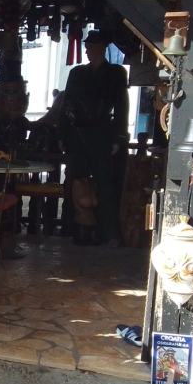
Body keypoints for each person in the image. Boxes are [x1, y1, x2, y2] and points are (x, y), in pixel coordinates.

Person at [61, 30, 128, 245]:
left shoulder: (115, 73)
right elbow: (67, 103)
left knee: (105, 184)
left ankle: (108, 233)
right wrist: (65, 133)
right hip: (78, 131)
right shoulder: (77, 73)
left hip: (102, 132)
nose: (88, 51)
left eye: (92, 47)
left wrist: (118, 136)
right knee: (74, 181)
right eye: (87, 47)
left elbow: (121, 104)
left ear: (102, 48)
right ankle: (73, 228)